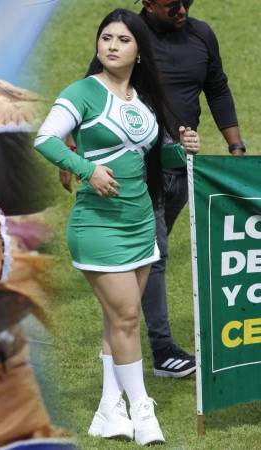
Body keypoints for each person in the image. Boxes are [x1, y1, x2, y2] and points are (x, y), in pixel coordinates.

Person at [34, 9, 200, 445]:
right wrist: (86, 169)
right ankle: (143, 411)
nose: (111, 45)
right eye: (106, 37)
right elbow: (46, 138)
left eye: (122, 40)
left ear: (139, 50)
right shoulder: (83, 92)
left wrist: (183, 150)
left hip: (141, 223)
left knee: (115, 322)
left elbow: (152, 158)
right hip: (97, 227)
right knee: (127, 316)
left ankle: (109, 410)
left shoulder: (144, 100)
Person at [136, 0, 246, 378]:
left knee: (146, 259)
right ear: (148, 3)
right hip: (139, 167)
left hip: (182, 166)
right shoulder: (128, 34)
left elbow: (217, 89)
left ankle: (122, 321)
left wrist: (236, 146)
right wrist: (71, 142)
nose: (181, 9)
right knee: (156, 255)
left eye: (187, 1)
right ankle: (162, 350)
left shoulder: (201, 35)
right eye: (171, 5)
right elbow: (93, 86)